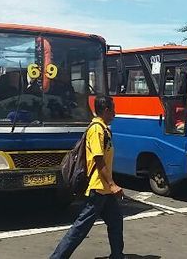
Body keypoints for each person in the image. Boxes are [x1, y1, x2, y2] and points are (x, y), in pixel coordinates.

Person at [50, 95, 125, 259]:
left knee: (116, 221)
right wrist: (112, 184)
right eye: (113, 110)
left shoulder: (104, 128)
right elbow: (98, 159)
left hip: (104, 189)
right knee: (80, 228)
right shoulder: (96, 129)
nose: (115, 113)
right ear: (106, 110)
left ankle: (117, 255)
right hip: (98, 187)